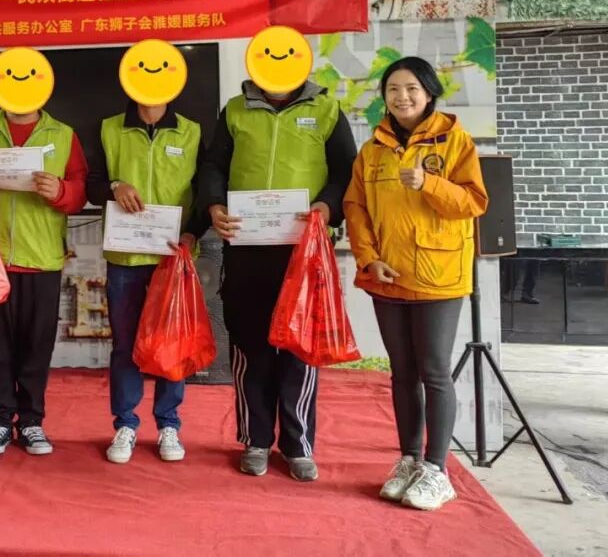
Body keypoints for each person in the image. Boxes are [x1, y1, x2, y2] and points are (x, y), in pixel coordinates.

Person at [199, 27, 356, 481]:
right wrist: (214, 206)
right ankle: (255, 440)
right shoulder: (234, 110)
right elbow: (213, 166)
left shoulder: (326, 110)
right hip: (247, 249)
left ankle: (297, 444)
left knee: (298, 348)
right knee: (250, 345)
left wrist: (326, 207)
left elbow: (346, 172)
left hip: (302, 252)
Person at [343, 56, 488, 512]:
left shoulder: (455, 140)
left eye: (411, 89)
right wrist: (369, 258)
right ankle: (408, 460)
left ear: (428, 94)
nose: (402, 97)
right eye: (393, 90)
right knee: (402, 372)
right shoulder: (373, 149)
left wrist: (429, 183)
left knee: (434, 371)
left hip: (438, 277)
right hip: (388, 275)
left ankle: (437, 469)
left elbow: (474, 202)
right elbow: (355, 208)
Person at [0, 48, 88, 456]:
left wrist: (61, 191)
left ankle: (31, 422)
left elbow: (81, 189)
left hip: (42, 257)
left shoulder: (63, 134)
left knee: (36, 346)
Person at [86, 39, 209, 465]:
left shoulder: (192, 131)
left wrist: (192, 235)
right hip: (125, 259)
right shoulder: (107, 128)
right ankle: (125, 424)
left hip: (173, 260)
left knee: (174, 343)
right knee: (126, 345)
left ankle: (169, 424)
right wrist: (114, 186)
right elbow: (91, 184)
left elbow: (205, 190)